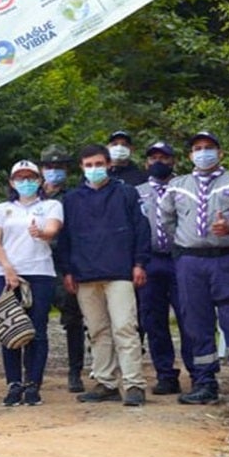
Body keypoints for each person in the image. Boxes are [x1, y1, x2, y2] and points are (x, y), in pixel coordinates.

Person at [160, 131, 229, 409]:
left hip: (226, 259)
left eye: (209, 148)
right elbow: (167, 221)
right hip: (190, 262)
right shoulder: (177, 186)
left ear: (221, 153)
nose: (203, 152)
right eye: (197, 148)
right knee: (196, 324)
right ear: (190, 155)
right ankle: (205, 383)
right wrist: (187, 242)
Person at [57, 143, 150, 407]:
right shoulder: (72, 199)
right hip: (85, 273)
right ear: (81, 168)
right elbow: (66, 239)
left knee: (125, 327)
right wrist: (67, 270)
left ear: (109, 164)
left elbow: (142, 230)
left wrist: (140, 263)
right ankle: (105, 381)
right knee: (97, 330)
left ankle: (133, 383)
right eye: (88, 165)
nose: (94, 169)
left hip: (120, 271)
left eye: (99, 164)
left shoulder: (126, 193)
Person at [0, 160, 64, 406]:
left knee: (36, 330)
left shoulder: (51, 205)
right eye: (20, 178)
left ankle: (33, 383)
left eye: (31, 177)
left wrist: (41, 234)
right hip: (6, 273)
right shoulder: (2, 209)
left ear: (39, 180)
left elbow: (53, 229)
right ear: (12, 182)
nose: (26, 182)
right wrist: (8, 269)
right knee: (10, 330)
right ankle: (13, 383)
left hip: (40, 272)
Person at [135, 141, 194, 396]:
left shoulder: (186, 187)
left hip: (180, 257)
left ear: (173, 161)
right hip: (149, 261)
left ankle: (199, 374)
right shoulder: (136, 192)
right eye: (153, 157)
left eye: (164, 157)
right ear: (146, 162)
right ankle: (165, 374)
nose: (158, 161)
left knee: (188, 317)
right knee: (153, 320)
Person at [41, 143, 86, 392]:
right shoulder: (30, 195)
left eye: (59, 167)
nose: (54, 171)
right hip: (34, 262)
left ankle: (74, 371)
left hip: (63, 262)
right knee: (34, 319)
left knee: (73, 319)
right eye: (49, 166)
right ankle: (32, 372)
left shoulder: (74, 197)